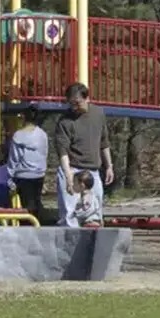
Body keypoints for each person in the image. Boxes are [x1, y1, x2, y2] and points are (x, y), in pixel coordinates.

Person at [55, 83, 111, 227]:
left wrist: (109, 166)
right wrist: (68, 176)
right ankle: (69, 241)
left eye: (77, 103)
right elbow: (63, 151)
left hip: (92, 169)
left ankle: (92, 240)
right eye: (71, 104)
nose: (74, 107)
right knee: (70, 213)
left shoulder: (98, 114)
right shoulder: (65, 121)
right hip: (72, 168)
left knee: (94, 210)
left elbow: (104, 142)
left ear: (87, 98)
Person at [7, 105, 49, 221]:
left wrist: (9, 176)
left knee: (26, 203)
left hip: (23, 174)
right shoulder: (42, 135)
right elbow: (44, 154)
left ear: (24, 117)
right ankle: (37, 222)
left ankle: (28, 226)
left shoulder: (19, 135)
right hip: (39, 174)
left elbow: (14, 158)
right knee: (35, 200)